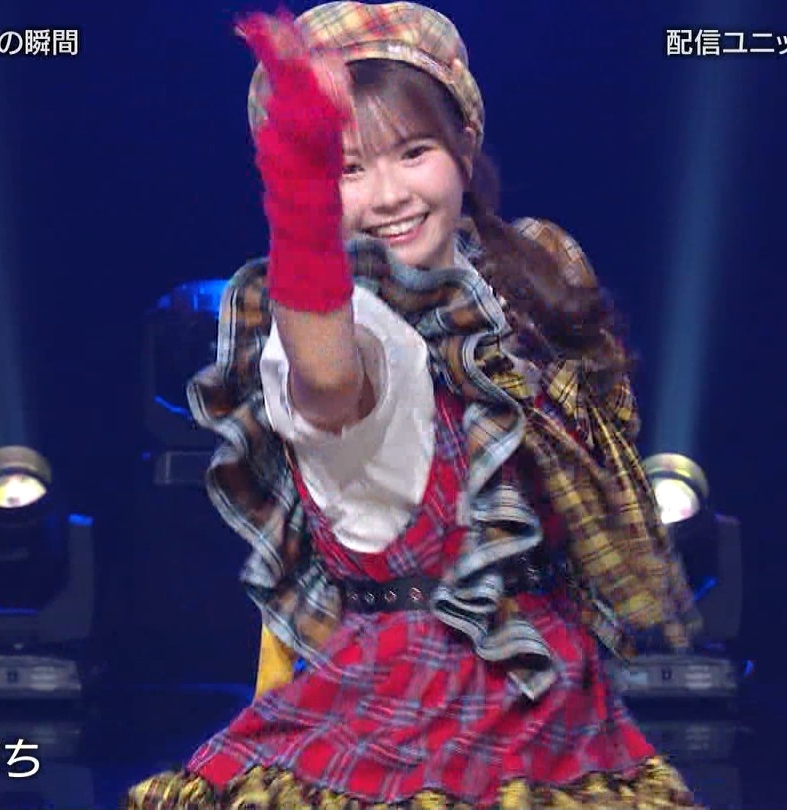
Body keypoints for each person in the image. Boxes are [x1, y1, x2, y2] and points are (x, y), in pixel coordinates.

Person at [128, 3, 704, 808]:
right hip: (401, 734)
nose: (389, 195)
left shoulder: (533, 272)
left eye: (413, 151)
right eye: (347, 169)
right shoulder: (347, 326)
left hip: (563, 720)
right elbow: (328, 379)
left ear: (464, 144)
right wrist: (300, 197)